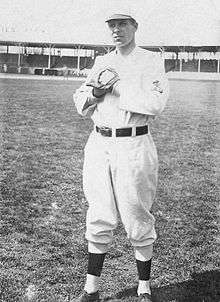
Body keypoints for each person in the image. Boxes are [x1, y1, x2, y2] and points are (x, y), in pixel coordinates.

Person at [73, 11, 169, 302]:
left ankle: (144, 287)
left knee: (136, 213)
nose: (117, 30)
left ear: (135, 27)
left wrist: (116, 88)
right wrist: (94, 95)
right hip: (99, 142)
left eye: (123, 24)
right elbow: (81, 97)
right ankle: (91, 288)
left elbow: (157, 102)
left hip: (134, 142)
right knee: (99, 213)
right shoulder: (102, 61)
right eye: (112, 25)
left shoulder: (151, 60)